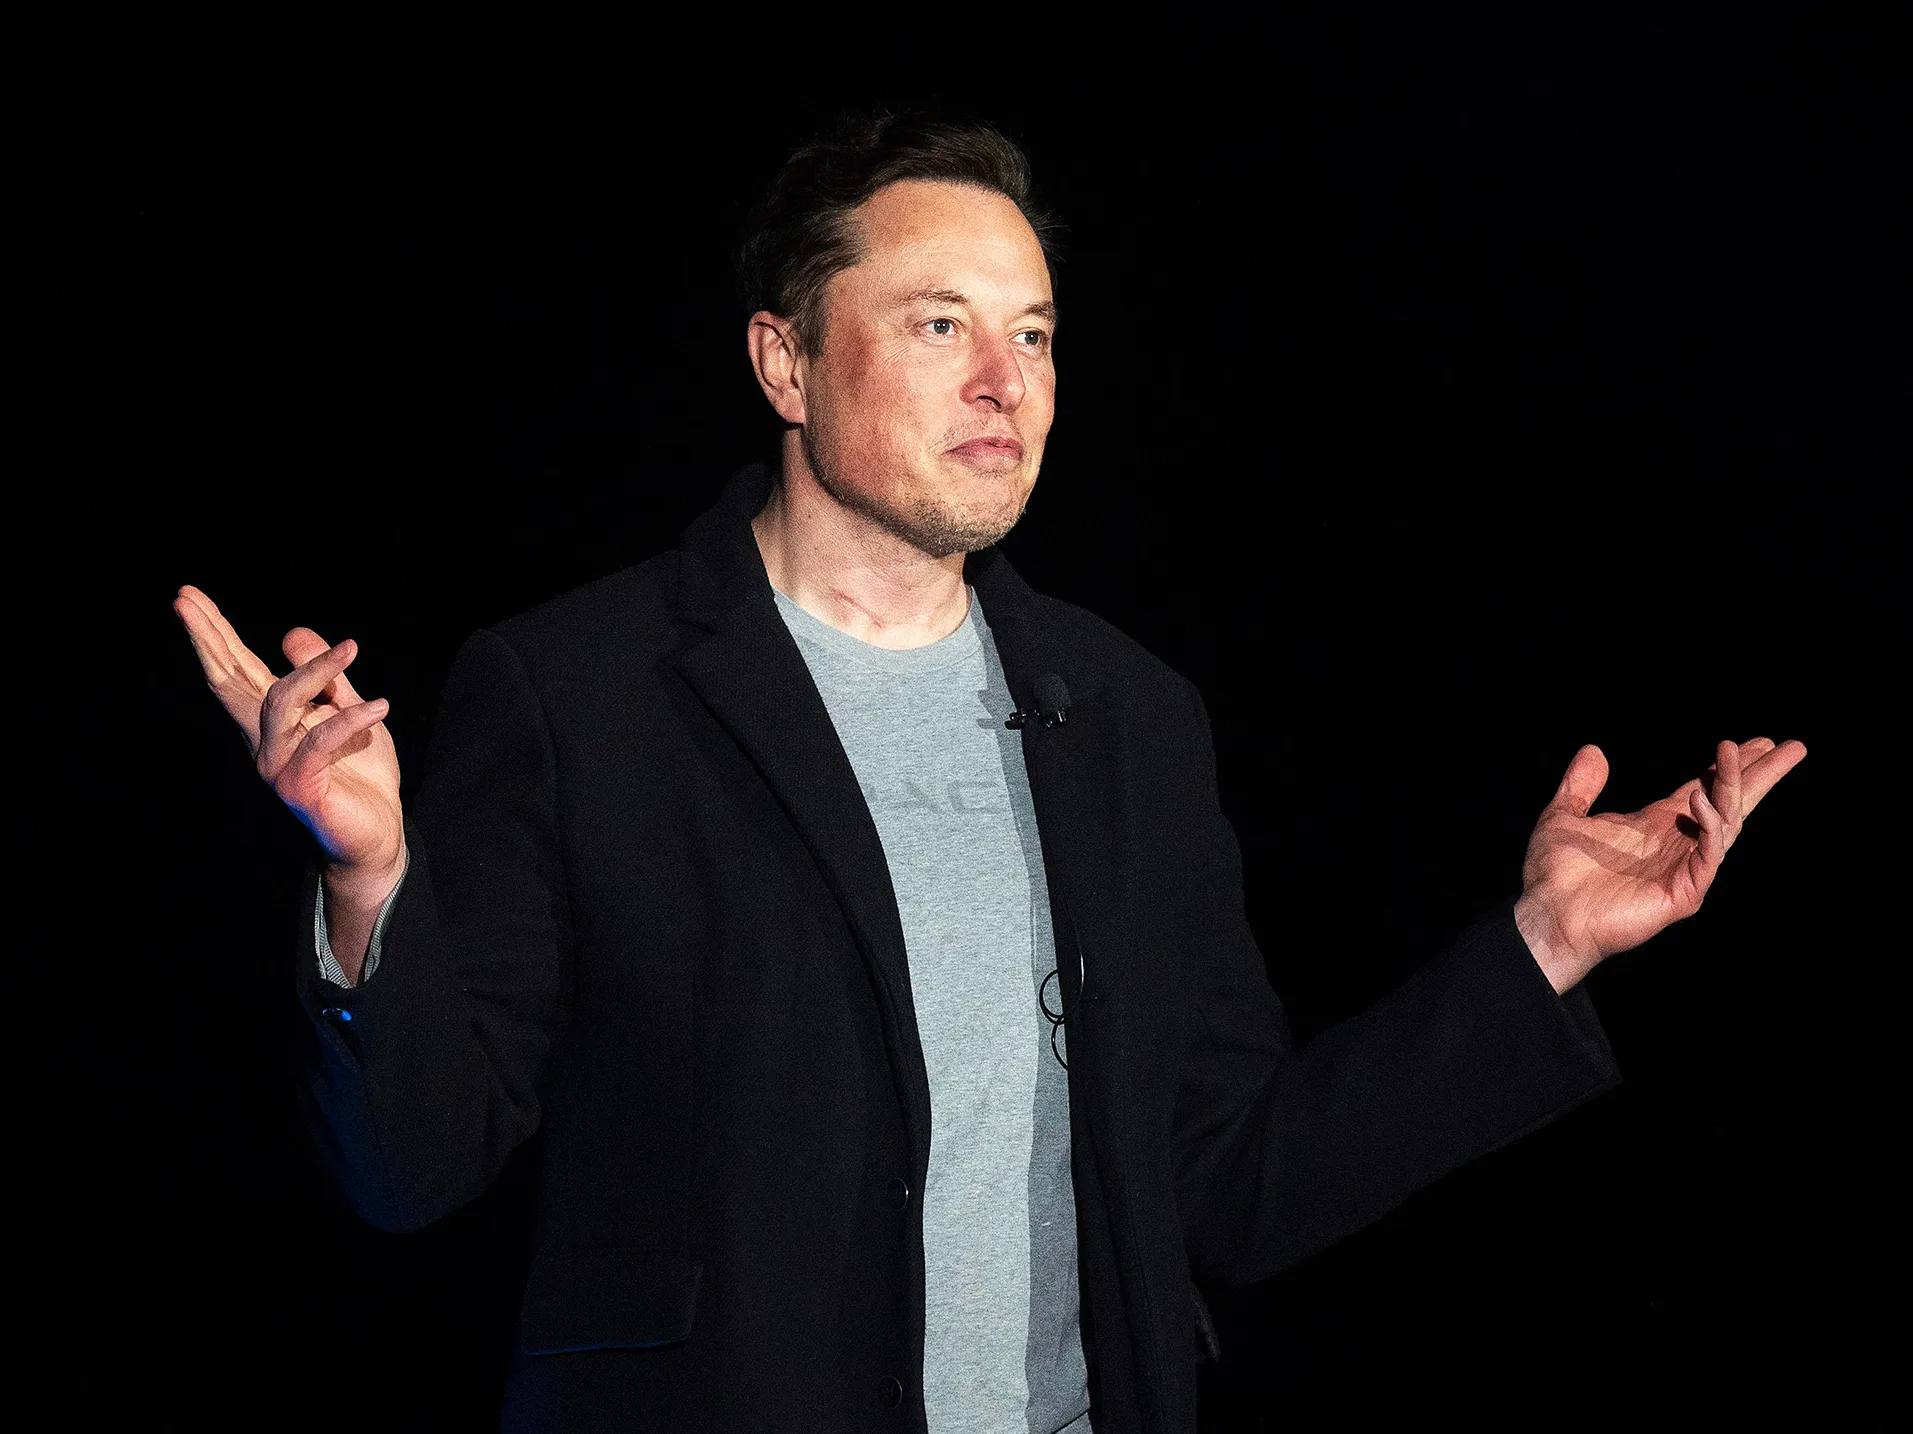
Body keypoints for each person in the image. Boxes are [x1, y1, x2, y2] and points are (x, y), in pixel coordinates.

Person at [173, 115, 1806, 1434]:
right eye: (939, 324)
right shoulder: (578, 692)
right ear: (785, 363)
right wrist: (371, 879)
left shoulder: (1133, 718)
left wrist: (1542, 949)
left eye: (1032, 333)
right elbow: (414, 1167)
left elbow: (1230, 1183)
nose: (1004, 381)